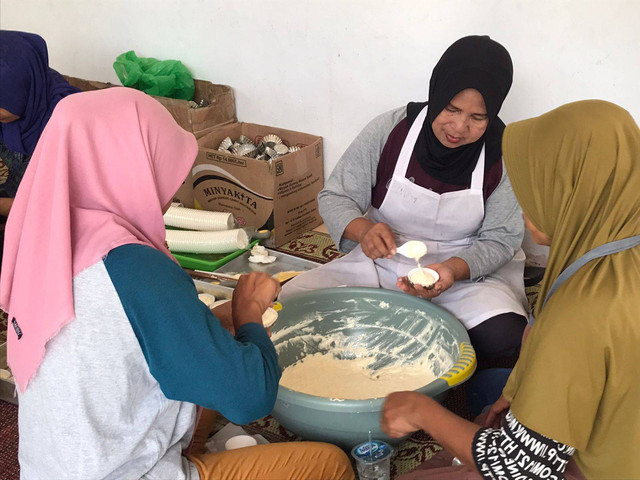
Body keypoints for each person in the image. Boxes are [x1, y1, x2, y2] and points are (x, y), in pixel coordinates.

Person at [0, 87, 354, 480]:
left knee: (210, 371)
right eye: (163, 172)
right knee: (329, 465)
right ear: (131, 168)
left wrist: (212, 322)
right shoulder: (133, 268)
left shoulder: (44, 243)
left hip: (50, 468)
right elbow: (252, 397)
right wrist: (249, 313)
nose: (168, 195)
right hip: (121, 471)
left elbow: (124, 335)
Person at [380, 100, 640, 479]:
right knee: (491, 388)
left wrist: (421, 410)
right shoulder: (610, 246)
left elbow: (519, 467)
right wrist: (520, 387)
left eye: (536, 191)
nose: (522, 210)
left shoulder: (584, 313)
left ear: (573, 193)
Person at [280, 36, 528, 367]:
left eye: (477, 118)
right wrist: (364, 230)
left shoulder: (502, 153)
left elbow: (501, 238)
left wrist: (452, 271)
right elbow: (336, 196)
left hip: (463, 275)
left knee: (507, 340)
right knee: (289, 307)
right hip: (381, 264)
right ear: (437, 93)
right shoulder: (392, 131)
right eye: (451, 109)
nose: (459, 127)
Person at [0, 30, 80, 273]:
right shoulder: (19, 101)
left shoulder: (67, 123)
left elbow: (63, 208)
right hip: (19, 201)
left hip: (60, 224)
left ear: (19, 89)